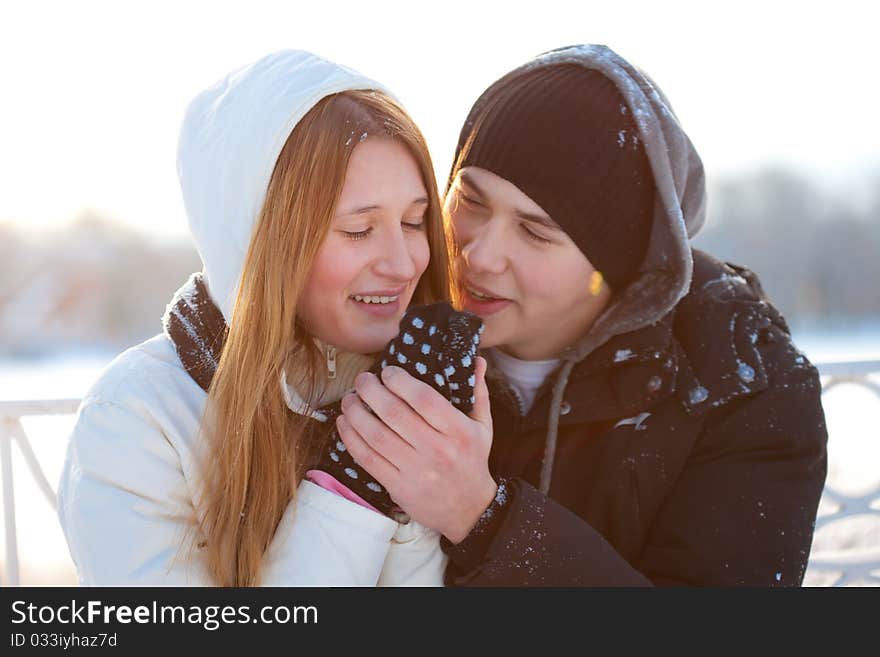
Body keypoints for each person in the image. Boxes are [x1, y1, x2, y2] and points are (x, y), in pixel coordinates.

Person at [335, 44, 829, 586]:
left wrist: (483, 519)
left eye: (535, 231)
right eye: (471, 202)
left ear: (615, 266)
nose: (478, 254)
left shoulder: (742, 385)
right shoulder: (387, 317)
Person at [56, 50, 459, 586]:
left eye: (414, 221)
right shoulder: (138, 419)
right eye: (358, 230)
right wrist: (355, 489)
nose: (405, 262)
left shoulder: (408, 391)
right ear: (262, 241)